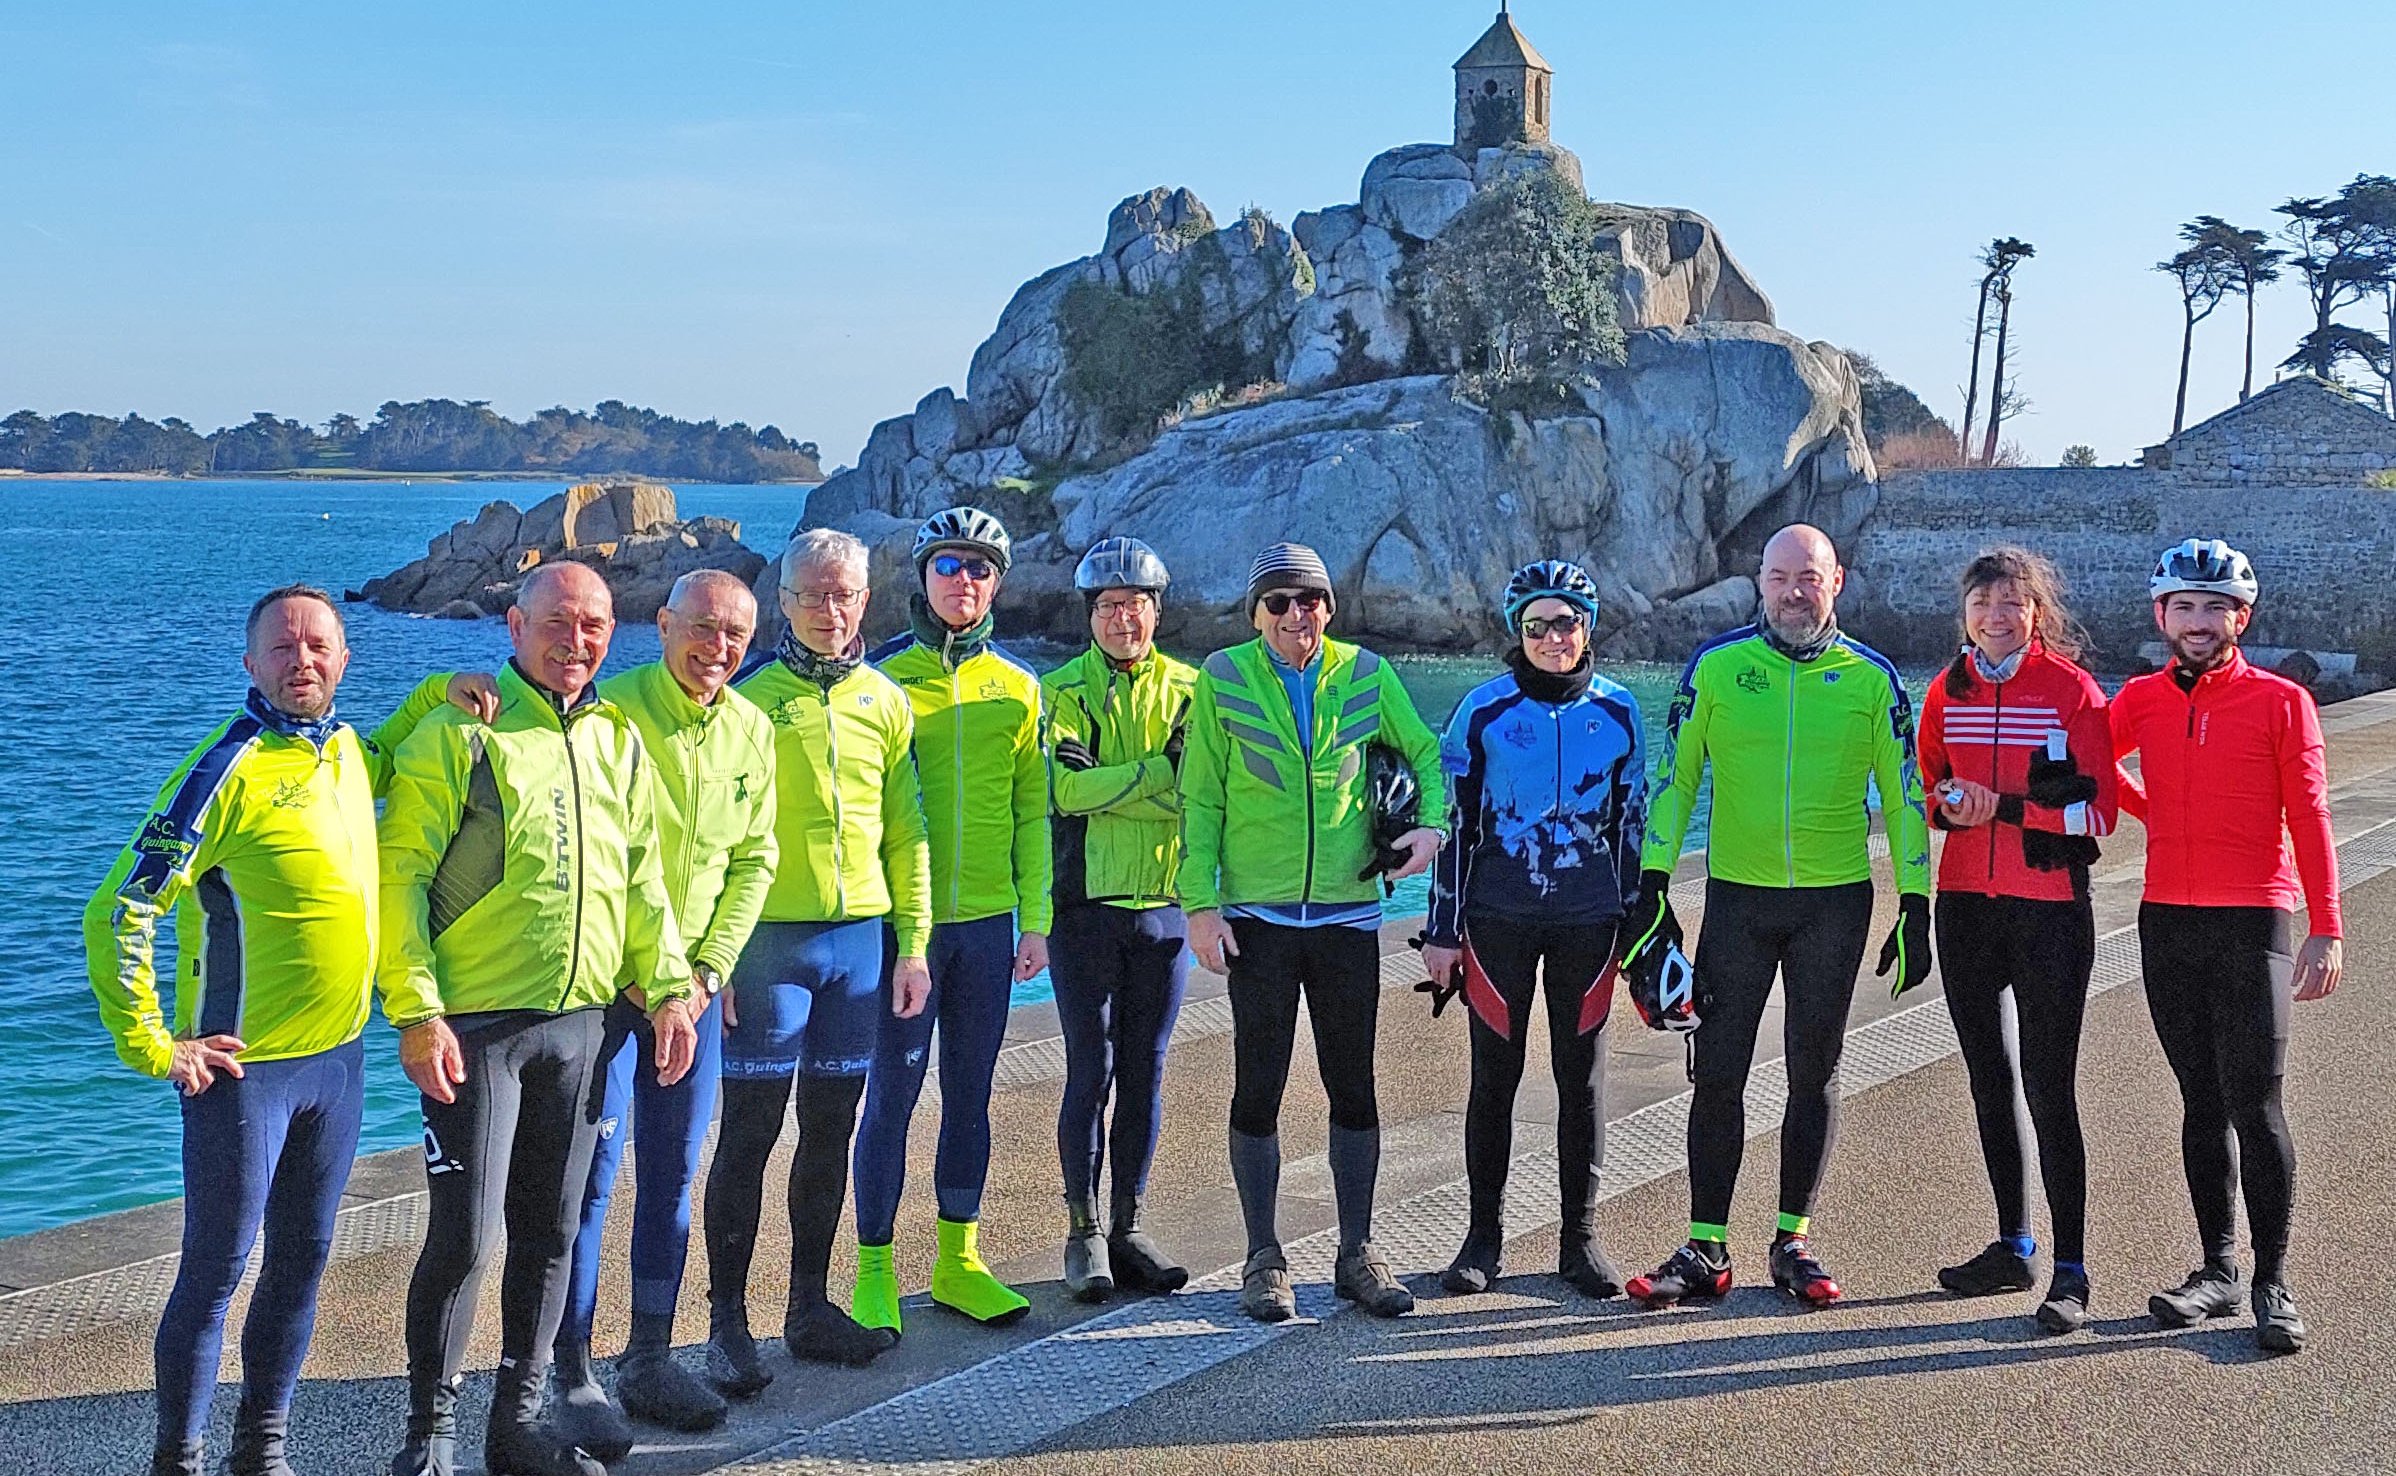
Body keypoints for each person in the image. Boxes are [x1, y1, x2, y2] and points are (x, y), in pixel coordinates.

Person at [85, 586, 454, 1476]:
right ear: (251, 663)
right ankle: (179, 1458)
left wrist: (441, 690)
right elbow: (120, 909)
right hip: (244, 1075)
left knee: (303, 1260)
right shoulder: (226, 769)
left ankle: (264, 1450)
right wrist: (153, 1044)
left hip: (339, 1064)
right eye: (283, 648)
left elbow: (389, 747)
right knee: (217, 1272)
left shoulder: (348, 753)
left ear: (344, 659)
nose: (302, 662)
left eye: (319, 646)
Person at [379, 562, 701, 1476]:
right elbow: (399, 879)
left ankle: (516, 1426)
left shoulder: (616, 738)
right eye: (557, 622)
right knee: (467, 1238)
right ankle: (428, 1440)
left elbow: (643, 879)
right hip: (477, 1029)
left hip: (584, 1025)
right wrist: (415, 1009)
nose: (577, 641)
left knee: (553, 1231)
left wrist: (668, 989)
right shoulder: (460, 734)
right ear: (515, 627)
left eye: (594, 625)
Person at [1621, 524, 1932, 1310]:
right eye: (1780, 577)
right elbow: (1676, 780)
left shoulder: (1872, 678)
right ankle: (1706, 1249)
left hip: (1834, 902)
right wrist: (1652, 886)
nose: (1795, 592)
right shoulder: (1717, 667)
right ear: (1759, 582)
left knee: (1813, 1072)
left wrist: (1916, 902)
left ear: (1837, 581)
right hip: (1739, 900)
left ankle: (1792, 1240)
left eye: (1810, 577)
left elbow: (1903, 796)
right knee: (1718, 1072)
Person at [533, 570, 777, 1455]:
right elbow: (605, 858)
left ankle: (648, 1355)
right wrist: (651, 979)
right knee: (586, 1182)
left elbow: (754, 860)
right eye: (701, 628)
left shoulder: (751, 728)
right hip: (613, 993)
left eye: (735, 636)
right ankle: (568, 1369)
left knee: (672, 1172)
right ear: (663, 623)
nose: (717, 649)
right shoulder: (613, 710)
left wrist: (707, 973)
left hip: (695, 996)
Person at [1182, 541, 1445, 1324]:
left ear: (1330, 607)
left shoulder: (1366, 672)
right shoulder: (1223, 677)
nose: (1299, 614)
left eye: (1313, 600)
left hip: (1346, 917)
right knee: (1258, 1085)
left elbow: (1425, 751)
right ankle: (1263, 1258)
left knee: (1353, 1083)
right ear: (1256, 613)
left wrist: (1431, 826)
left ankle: (1357, 1253)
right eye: (1281, 601)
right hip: (1258, 920)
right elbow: (1201, 797)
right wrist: (1200, 905)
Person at [2110, 538, 2342, 1354]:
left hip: (2253, 921)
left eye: (2216, 607)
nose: (2199, 621)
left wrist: (2327, 926)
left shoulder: (2282, 702)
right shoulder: (2140, 699)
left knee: (2256, 1101)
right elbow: (2093, 761)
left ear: (2242, 617)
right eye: (2185, 606)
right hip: (2167, 920)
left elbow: (2309, 814)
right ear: (2161, 615)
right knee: (2200, 1102)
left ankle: (2273, 1282)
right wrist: (2156, 811)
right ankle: (2217, 1270)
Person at [709, 530, 932, 1374]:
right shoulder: (748, 700)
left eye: (844, 595)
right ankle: (728, 1324)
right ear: (785, 602)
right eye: (812, 594)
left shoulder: (886, 701)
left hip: (859, 947)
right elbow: (715, 836)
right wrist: (714, 955)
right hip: (768, 947)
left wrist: (913, 945)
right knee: (750, 1133)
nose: (829, 611)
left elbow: (906, 832)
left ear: (865, 600)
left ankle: (808, 1306)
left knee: (831, 1130)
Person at [1421, 560, 1646, 1300]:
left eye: (1567, 622)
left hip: (1589, 919)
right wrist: (1441, 931)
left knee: (1582, 1080)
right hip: (1499, 919)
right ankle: (1482, 1239)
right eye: (1537, 625)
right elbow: (1455, 827)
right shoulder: (1482, 712)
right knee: (1495, 1078)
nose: (1554, 637)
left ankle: (1579, 1240)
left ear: (1588, 627)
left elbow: (1633, 828)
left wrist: (1641, 926)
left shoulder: (1620, 712)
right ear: (1517, 632)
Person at [855, 507, 1051, 1330]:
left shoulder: (1020, 687)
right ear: (922, 576)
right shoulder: (881, 680)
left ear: (996, 584)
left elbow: (1033, 811)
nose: (962, 581)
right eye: (947, 565)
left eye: (979, 568)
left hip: (988, 927)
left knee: (970, 1096)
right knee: (892, 1097)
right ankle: (872, 1272)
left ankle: (958, 1262)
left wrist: (1037, 919)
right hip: (905, 930)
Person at [1915, 547, 2116, 1333]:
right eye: (1982, 604)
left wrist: (1999, 806)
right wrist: (1946, 805)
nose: (1995, 616)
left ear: (2036, 613)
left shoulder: (2072, 691)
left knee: (2048, 1087)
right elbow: (1927, 788)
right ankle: (2013, 1245)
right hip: (1966, 907)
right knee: (1988, 1082)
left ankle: (2072, 1271)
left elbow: (2099, 814)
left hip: (2050, 910)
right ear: (1965, 614)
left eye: (2011, 603)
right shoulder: (1946, 691)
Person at [1042, 537, 1198, 1301]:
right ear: (1090, 615)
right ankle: (1085, 1233)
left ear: (1156, 612)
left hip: (1165, 913)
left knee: (1146, 1070)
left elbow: (1195, 794)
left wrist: (1117, 785)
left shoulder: (1193, 690)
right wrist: (1159, 772)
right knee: (1090, 1070)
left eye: (1134, 605)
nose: (1121, 619)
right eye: (1107, 606)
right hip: (1085, 912)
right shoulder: (1060, 690)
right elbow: (1067, 794)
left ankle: (1130, 1227)